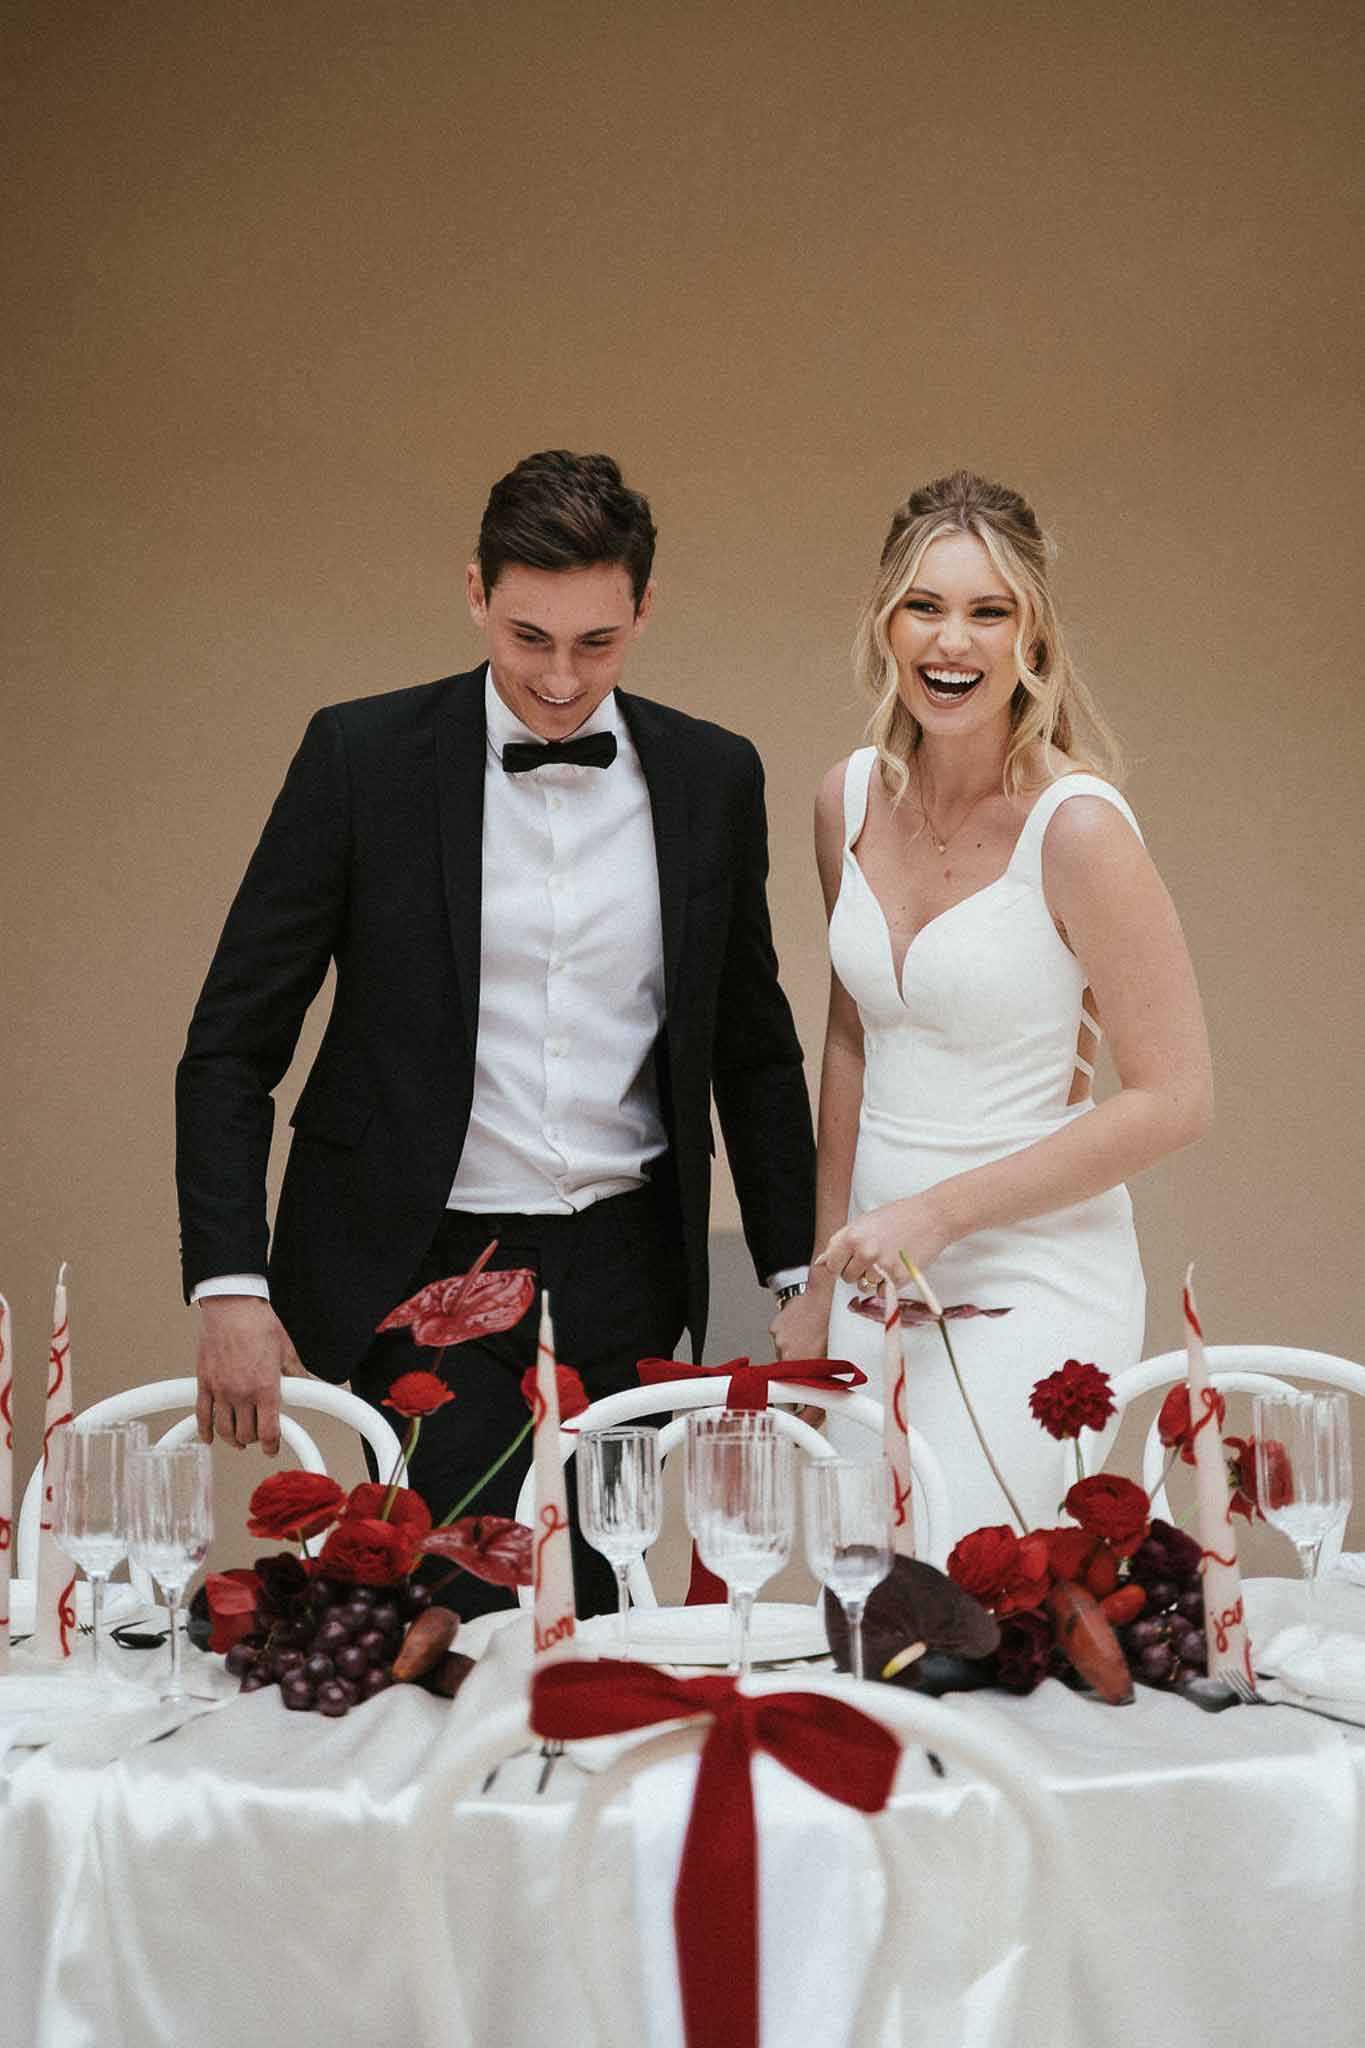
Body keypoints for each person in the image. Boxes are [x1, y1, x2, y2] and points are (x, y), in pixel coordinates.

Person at [176, 450, 815, 1616]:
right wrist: (230, 1279)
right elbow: (232, 1039)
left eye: (597, 642)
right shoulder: (360, 758)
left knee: (605, 1611)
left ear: (645, 610)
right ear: (476, 592)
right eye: (529, 637)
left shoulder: (713, 775)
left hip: (629, 1264)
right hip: (425, 1259)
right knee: (453, 1619)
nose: (561, 679)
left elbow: (754, 1046)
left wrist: (796, 1272)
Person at [776, 470, 1212, 1539]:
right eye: (924, 605)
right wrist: (819, 1277)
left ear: (1034, 635)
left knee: (973, 1591)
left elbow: (1175, 1098)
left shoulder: (1079, 829)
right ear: (885, 622)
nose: (950, 641)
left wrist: (938, 1213)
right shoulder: (844, 799)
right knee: (863, 1594)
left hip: (1031, 1278)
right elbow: (850, 1037)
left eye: (988, 611)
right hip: (873, 1273)